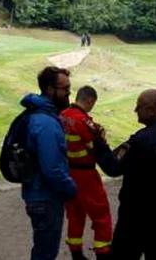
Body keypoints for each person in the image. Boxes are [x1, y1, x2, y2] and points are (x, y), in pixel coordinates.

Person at [94, 89, 156, 260]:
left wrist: (98, 143)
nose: (135, 110)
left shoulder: (141, 140)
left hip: (134, 219)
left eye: (139, 106)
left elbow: (112, 167)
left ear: (152, 109)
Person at [20, 66, 78, 260]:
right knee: (45, 254)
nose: (69, 92)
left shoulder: (42, 115)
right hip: (45, 197)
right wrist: (71, 189)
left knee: (42, 251)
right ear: (50, 89)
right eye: (65, 88)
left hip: (38, 195)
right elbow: (52, 169)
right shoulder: (45, 122)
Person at [60, 86, 112, 260]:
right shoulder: (83, 121)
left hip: (68, 173)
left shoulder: (63, 115)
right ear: (89, 101)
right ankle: (103, 253)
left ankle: (76, 254)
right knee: (101, 215)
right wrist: (101, 137)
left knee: (75, 215)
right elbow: (95, 148)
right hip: (86, 175)